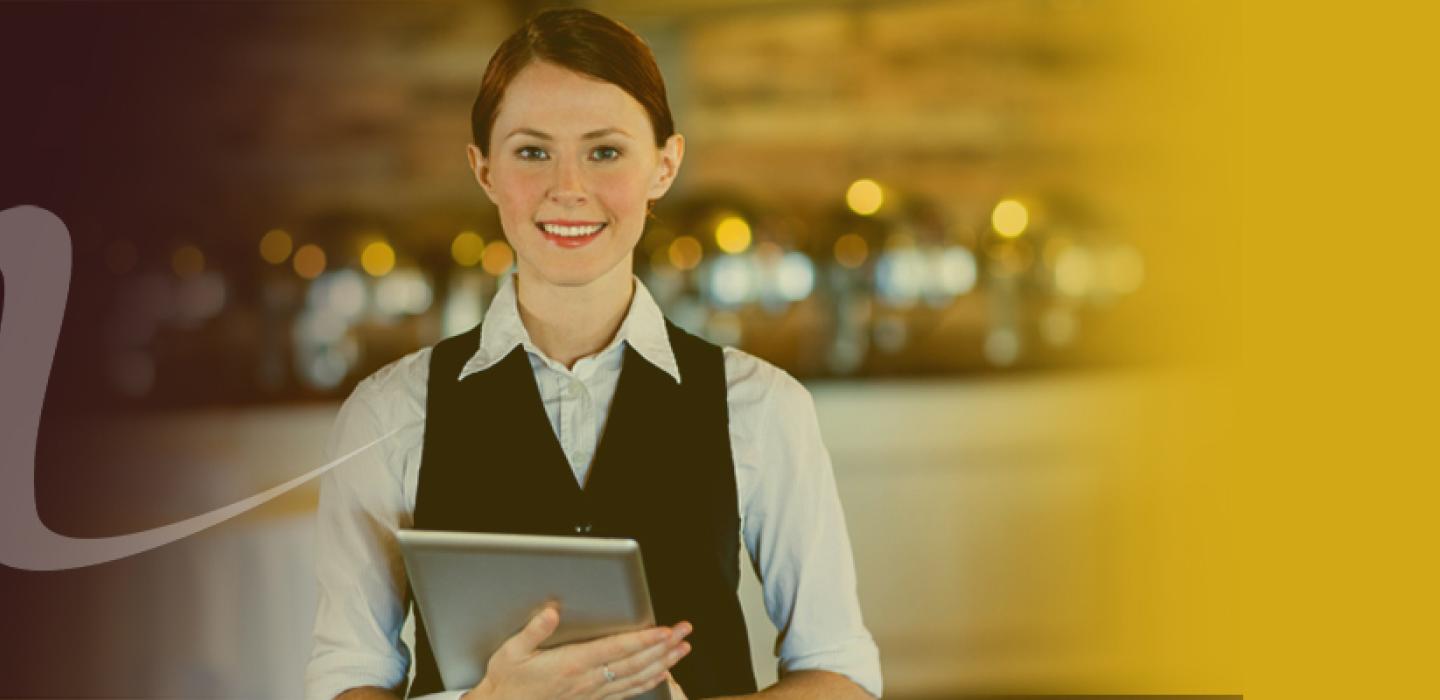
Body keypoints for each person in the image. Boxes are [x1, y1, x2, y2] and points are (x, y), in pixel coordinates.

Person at [304, 8, 881, 700]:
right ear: (482, 169)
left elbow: (843, 673)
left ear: (664, 165)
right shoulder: (387, 416)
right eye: (532, 151)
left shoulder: (762, 407)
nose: (567, 188)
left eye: (604, 151)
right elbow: (348, 679)